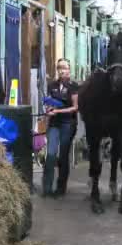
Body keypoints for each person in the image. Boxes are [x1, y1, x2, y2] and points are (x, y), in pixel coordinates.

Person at [42, 58, 79, 197]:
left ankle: (60, 187)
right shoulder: (52, 85)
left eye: (65, 67)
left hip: (68, 124)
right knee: (51, 154)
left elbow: (75, 108)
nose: (62, 70)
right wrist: (49, 109)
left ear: (69, 70)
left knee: (63, 156)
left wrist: (58, 111)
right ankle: (47, 188)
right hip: (54, 124)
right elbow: (49, 102)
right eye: (59, 67)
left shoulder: (73, 86)